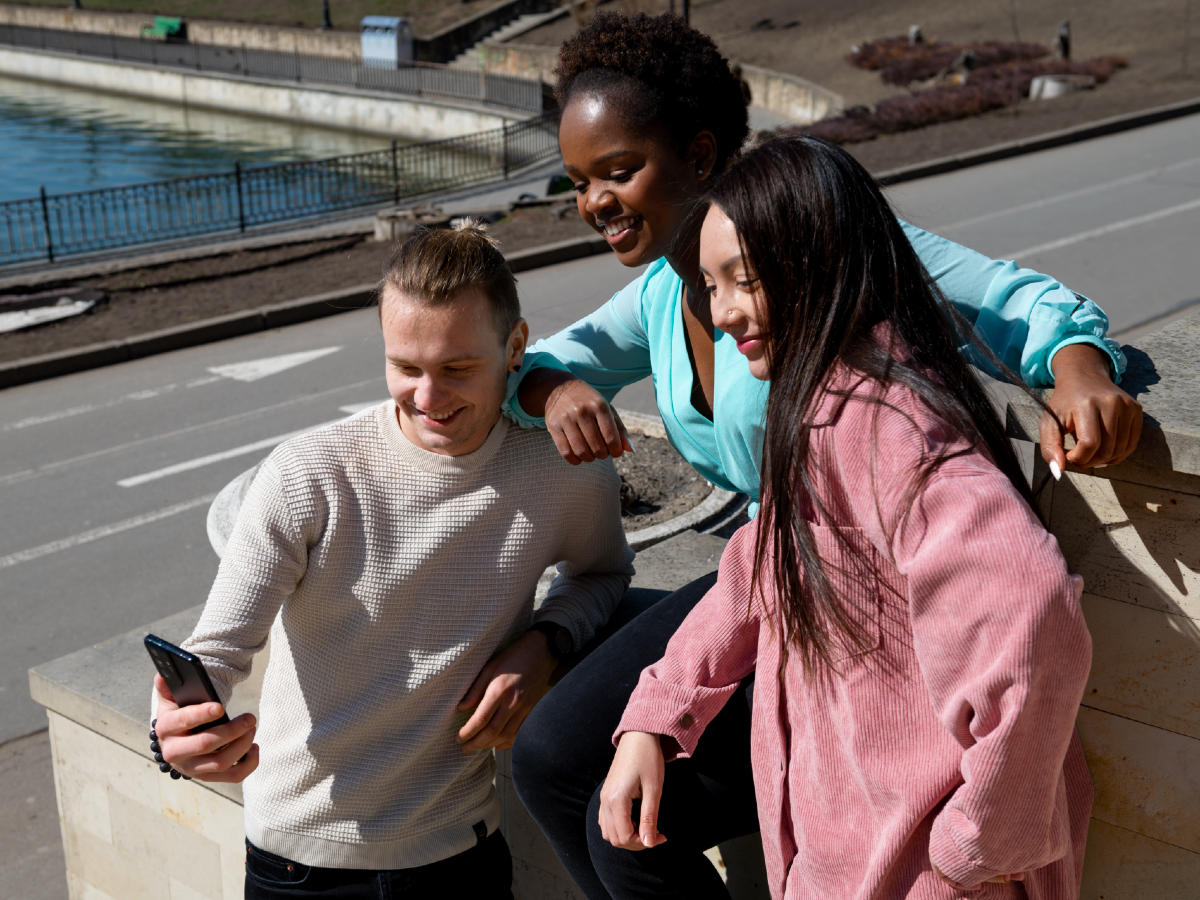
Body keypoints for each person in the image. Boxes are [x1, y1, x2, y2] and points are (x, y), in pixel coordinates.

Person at [507, 12, 1133, 900]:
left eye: (618, 171)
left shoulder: (842, 279)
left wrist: (1078, 372)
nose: (594, 202)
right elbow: (527, 369)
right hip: (784, 575)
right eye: (578, 182)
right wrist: (555, 391)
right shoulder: (663, 297)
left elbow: (1018, 305)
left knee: (631, 820)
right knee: (556, 761)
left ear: (699, 154)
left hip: (859, 628)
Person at [599, 134, 1093, 900]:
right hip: (845, 848)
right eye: (710, 286)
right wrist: (656, 714)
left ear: (822, 260)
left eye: (745, 280)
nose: (723, 312)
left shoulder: (888, 427)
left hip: (919, 871)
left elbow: (1035, 606)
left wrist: (974, 844)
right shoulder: (821, 406)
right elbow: (759, 564)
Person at [149, 222, 635, 900]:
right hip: (297, 866)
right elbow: (217, 651)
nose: (428, 399)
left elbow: (604, 573)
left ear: (516, 346)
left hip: (460, 855)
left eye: (457, 369)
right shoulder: (308, 474)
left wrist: (545, 643)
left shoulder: (564, 470)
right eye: (405, 368)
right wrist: (174, 731)